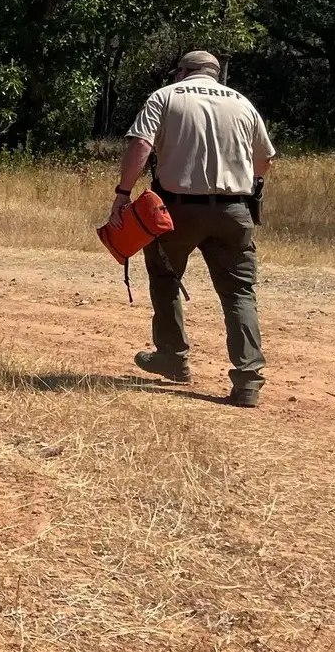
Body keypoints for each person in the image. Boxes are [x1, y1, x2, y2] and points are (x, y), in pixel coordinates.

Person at [112, 51, 276, 408]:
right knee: (239, 294)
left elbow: (141, 144)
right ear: (216, 74)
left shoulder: (166, 96)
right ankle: (248, 380)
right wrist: (254, 189)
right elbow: (264, 158)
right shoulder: (243, 104)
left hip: (176, 210)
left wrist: (123, 193)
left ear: (183, 72)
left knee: (165, 277)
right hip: (234, 210)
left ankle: (173, 356)